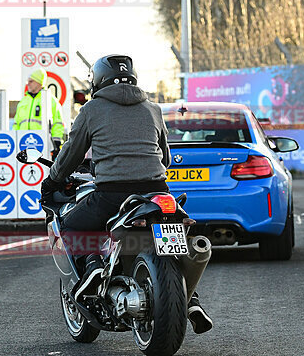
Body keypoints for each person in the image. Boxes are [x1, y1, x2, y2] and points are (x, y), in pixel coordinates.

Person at [40, 55, 212, 334]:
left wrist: (53, 180)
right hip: (158, 192)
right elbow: (164, 158)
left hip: (112, 193)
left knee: (71, 224)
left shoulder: (91, 109)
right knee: (174, 240)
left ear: (97, 80)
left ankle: (93, 267)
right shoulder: (153, 109)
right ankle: (191, 300)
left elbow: (71, 154)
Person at [13, 68, 64, 140]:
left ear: (39, 82)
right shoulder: (23, 101)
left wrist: (56, 140)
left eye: (31, 81)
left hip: (43, 143)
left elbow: (57, 123)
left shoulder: (50, 100)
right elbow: (16, 123)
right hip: (23, 142)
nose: (28, 84)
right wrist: (15, 139)